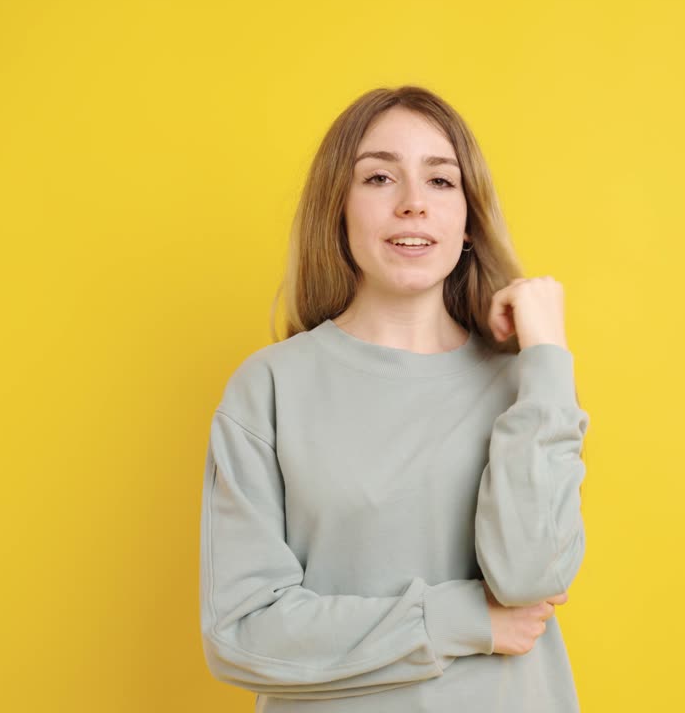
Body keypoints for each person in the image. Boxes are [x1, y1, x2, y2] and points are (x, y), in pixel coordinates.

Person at [198, 85, 591, 712]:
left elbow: (529, 577)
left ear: (467, 219)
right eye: (380, 177)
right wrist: (462, 619)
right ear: (339, 209)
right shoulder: (271, 388)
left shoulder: (523, 385)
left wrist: (546, 356)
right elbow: (240, 634)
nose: (413, 204)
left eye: (441, 182)